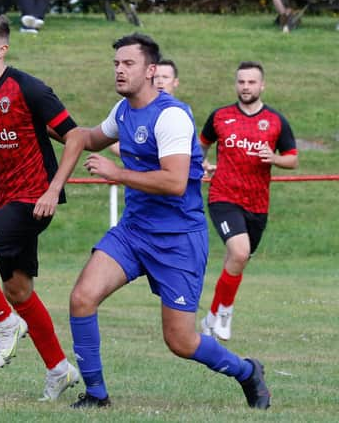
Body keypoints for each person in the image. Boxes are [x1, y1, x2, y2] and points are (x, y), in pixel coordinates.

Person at [67, 33, 271, 409]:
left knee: (181, 341)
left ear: (151, 71)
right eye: (116, 64)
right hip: (133, 232)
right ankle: (96, 396)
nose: (119, 70)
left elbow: (175, 183)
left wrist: (117, 174)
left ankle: (246, 371)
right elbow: (89, 137)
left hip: (177, 239)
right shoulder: (123, 111)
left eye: (128, 64)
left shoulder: (171, 115)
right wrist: (43, 118)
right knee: (82, 298)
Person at [0, 14, 85, 401]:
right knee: (19, 289)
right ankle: (59, 369)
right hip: (7, 198)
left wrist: (52, 189)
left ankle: (6, 324)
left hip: (34, 200)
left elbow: (74, 136)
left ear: (2, 49)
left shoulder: (29, 88)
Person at [199, 61, 298, 341]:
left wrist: (275, 158)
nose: (246, 87)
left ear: (262, 85)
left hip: (257, 203)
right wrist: (203, 161)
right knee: (239, 253)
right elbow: (201, 144)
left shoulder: (276, 121)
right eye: (241, 82)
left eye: (251, 82)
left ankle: (211, 316)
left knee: (238, 259)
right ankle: (225, 313)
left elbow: (292, 158)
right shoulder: (220, 116)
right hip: (224, 196)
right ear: (236, 84)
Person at [109, 58, 180, 156]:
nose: (160, 81)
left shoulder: (180, 113)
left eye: (165, 77)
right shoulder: (134, 109)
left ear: (176, 82)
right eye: (156, 77)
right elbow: (113, 143)